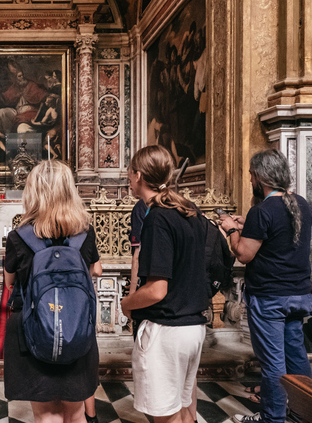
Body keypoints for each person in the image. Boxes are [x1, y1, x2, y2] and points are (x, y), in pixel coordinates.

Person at [220, 149, 312, 423]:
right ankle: (302, 415)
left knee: (273, 363)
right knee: (296, 359)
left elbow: (244, 254)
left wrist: (230, 228)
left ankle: (272, 419)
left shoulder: (262, 210)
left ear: (260, 177)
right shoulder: (301, 204)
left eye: (251, 175)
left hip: (270, 297)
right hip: (298, 294)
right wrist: (245, 224)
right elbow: (279, 236)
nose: (250, 179)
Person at [4, 160, 102, 423]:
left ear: (32, 191)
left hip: (34, 329)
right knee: (76, 411)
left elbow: (9, 283)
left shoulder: (18, 236)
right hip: (76, 327)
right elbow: (95, 271)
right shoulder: (85, 232)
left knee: (46, 414)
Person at [120, 145, 208, 423]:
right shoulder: (188, 211)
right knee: (183, 411)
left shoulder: (157, 217)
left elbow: (157, 289)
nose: (128, 178)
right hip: (192, 326)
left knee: (165, 417)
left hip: (167, 331)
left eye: (130, 172)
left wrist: (127, 303)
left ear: (138, 175)